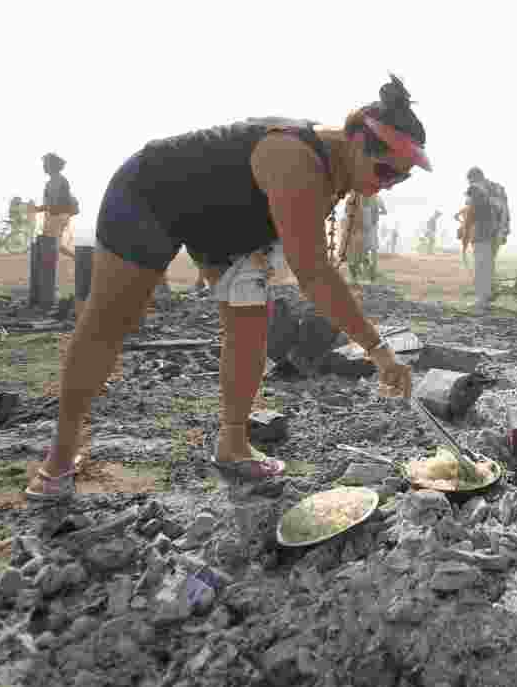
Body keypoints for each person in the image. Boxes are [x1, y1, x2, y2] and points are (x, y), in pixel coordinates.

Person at [24, 75, 429, 501]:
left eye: (400, 179)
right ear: (356, 140)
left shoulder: (342, 164)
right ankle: (58, 462)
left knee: (250, 325)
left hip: (228, 225)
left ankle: (233, 444)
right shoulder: (297, 160)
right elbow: (314, 273)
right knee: (109, 323)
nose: (388, 183)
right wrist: (378, 349)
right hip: (152, 195)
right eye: (384, 170)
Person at [464, 168, 509, 312]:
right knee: (489, 265)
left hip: (482, 231)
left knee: (481, 265)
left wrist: (465, 229)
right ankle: (487, 295)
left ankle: (481, 299)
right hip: (497, 231)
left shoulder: (476, 188)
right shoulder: (498, 189)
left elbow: (471, 211)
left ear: (473, 178)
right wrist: (505, 231)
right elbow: (506, 211)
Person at [32, 152, 79, 260]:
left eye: (46, 164)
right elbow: (52, 204)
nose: (44, 166)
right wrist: (39, 209)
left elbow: (55, 205)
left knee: (50, 244)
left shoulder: (57, 181)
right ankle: (78, 258)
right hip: (56, 216)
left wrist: (38, 209)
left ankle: (80, 258)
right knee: (53, 243)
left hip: (57, 217)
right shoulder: (54, 181)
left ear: (52, 166)